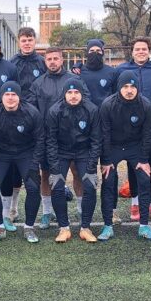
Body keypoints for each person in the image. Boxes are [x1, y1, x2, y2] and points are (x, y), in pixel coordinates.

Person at [27, 47, 90, 230]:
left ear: (62, 60)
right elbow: (31, 109)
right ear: (45, 61)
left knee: (77, 173)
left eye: (56, 58)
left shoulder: (75, 80)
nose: (52, 62)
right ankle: (47, 212)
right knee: (47, 175)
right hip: (49, 138)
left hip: (74, 137)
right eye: (49, 59)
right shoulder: (38, 83)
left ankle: (80, 209)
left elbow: (86, 101)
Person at [117, 36, 151, 223]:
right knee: (134, 163)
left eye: (144, 49)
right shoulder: (122, 69)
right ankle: (135, 202)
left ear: (149, 51)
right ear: (132, 51)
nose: (141, 52)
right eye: (137, 49)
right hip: (131, 124)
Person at [99, 70, 151, 241]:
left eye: (132, 86)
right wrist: (106, 160)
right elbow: (104, 134)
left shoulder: (145, 105)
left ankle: (144, 225)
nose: (129, 90)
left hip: (135, 147)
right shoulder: (107, 105)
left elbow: (147, 134)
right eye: (125, 87)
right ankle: (107, 225)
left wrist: (144, 159)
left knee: (144, 180)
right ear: (119, 88)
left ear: (137, 88)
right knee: (108, 181)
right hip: (114, 147)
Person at [0, 81, 43, 243]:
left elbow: (40, 139)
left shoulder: (32, 112)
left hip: (25, 152)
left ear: (19, 97)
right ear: (1, 97)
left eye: (14, 94)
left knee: (33, 187)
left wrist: (35, 161)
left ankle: (29, 228)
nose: (10, 98)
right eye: (7, 94)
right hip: (0, 152)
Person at [46, 78, 101, 243]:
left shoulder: (92, 110)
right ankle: (64, 228)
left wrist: (91, 167)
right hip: (61, 151)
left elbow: (96, 141)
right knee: (56, 185)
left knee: (90, 186)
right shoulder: (54, 111)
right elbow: (51, 141)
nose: (73, 95)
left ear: (82, 93)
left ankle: (85, 228)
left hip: (83, 152)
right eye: (69, 92)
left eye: (76, 92)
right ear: (64, 94)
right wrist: (54, 169)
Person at [3, 27, 45, 227]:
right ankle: (13, 208)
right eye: (23, 40)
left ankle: (46, 210)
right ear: (19, 42)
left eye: (30, 39)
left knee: (36, 167)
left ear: (34, 41)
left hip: (36, 119)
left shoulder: (42, 62)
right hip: (15, 118)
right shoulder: (12, 63)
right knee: (13, 168)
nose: (27, 43)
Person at [78, 38, 121, 223]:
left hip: (106, 128)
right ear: (86, 52)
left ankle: (112, 209)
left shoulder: (112, 72)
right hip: (84, 128)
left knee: (109, 171)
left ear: (103, 52)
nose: (95, 53)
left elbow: (117, 97)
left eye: (98, 50)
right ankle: (83, 209)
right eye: (91, 50)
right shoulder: (79, 72)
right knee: (84, 171)